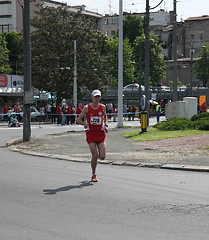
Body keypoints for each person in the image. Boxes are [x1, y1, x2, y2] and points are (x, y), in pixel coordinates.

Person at [77, 89, 108, 182]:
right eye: (95, 97)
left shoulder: (102, 107)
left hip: (100, 133)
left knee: (102, 157)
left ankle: (95, 161)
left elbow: (105, 117)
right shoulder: (87, 108)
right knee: (95, 155)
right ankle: (93, 174)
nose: (97, 99)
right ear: (92, 97)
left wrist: (106, 125)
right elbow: (78, 120)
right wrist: (84, 124)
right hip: (91, 134)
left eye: (98, 97)